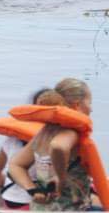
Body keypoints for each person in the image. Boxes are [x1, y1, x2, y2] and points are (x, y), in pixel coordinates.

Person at [8, 78, 97, 211]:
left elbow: (15, 165)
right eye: (90, 103)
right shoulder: (71, 132)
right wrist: (60, 177)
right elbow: (58, 147)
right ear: (77, 105)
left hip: (41, 209)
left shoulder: (44, 133)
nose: (91, 109)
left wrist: (32, 190)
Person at [0, 88, 50, 210]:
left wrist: (13, 186)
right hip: (34, 203)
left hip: (9, 200)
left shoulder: (11, 139)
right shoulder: (54, 141)